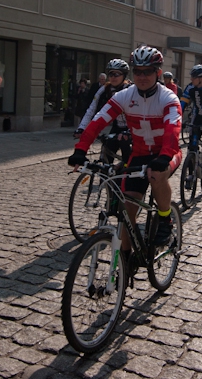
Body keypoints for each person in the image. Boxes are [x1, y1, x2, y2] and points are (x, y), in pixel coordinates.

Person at [68, 46, 181, 252]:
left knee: (156, 174)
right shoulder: (125, 96)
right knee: (127, 211)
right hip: (138, 154)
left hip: (166, 153)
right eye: (137, 71)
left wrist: (164, 156)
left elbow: (173, 129)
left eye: (148, 71)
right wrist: (81, 150)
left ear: (157, 72)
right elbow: (98, 121)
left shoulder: (168, 98)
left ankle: (165, 219)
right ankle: (126, 262)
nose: (142, 76)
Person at [74, 59, 132, 164]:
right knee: (106, 156)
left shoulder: (130, 89)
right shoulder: (105, 88)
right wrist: (81, 128)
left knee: (127, 160)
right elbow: (91, 109)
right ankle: (105, 178)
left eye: (117, 74)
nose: (113, 77)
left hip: (131, 128)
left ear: (124, 75)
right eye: (110, 74)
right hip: (117, 126)